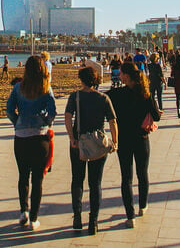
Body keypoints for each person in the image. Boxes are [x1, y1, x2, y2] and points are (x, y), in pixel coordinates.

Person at [65, 66, 118, 235]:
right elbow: (112, 121)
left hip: (78, 142)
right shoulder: (103, 98)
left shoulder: (75, 96)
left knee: (77, 180)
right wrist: (115, 141)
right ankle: (93, 221)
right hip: (97, 143)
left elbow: (67, 117)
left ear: (82, 80)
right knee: (95, 183)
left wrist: (71, 137)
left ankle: (77, 217)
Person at [6, 55, 57, 231]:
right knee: (38, 179)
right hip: (40, 137)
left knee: (23, 176)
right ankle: (34, 218)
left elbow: (9, 110)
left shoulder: (18, 87)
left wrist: (18, 122)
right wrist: (44, 121)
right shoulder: (46, 88)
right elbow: (53, 112)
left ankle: (23, 211)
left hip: (21, 138)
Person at [108, 61, 161, 228]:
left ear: (127, 76)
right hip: (141, 139)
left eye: (122, 73)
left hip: (123, 140)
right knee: (142, 174)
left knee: (126, 177)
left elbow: (101, 102)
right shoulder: (145, 94)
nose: (119, 76)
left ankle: (130, 216)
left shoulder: (115, 94)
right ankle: (143, 206)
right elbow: (157, 116)